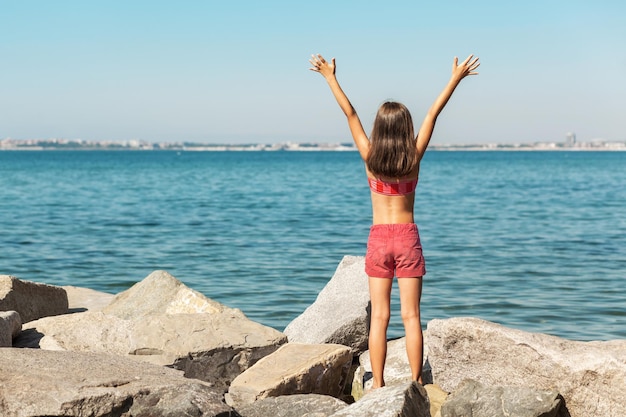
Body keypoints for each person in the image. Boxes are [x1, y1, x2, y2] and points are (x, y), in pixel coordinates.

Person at [309, 53, 479, 389]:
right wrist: (455, 79)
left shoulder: (370, 158)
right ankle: (416, 382)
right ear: (406, 129)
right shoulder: (413, 158)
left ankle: (378, 384)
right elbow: (433, 113)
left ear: (379, 128)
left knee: (380, 319)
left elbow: (351, 113)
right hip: (407, 237)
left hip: (378, 239)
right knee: (412, 316)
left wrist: (329, 77)